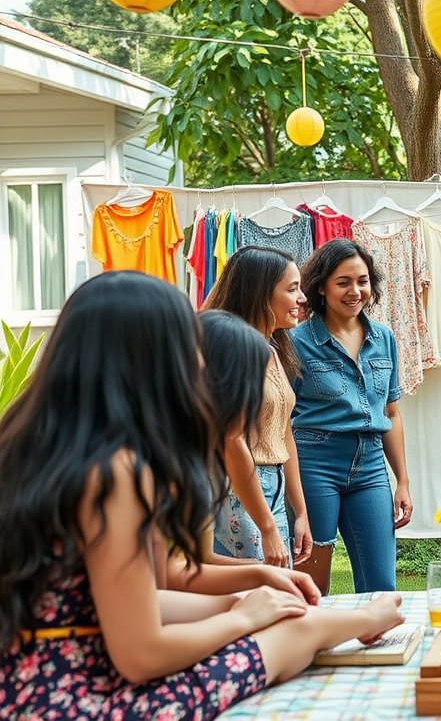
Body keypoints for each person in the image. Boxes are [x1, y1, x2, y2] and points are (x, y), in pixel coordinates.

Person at [0, 272, 404, 719]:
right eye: (188, 344)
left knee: (284, 622)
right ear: (152, 359)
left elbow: (151, 590)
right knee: (292, 636)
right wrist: (241, 618)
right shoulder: (117, 472)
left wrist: (245, 597)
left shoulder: (43, 451)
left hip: (31, 685)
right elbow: (141, 653)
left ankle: (360, 618)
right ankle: (368, 619)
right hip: (75, 698)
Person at [290, 239, 413, 595]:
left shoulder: (385, 339)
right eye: (343, 282)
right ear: (321, 288)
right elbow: (283, 419)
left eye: (362, 281)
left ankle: (377, 650)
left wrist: (402, 480)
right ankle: (310, 650)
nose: (354, 291)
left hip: (371, 465)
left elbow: (391, 412)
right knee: (313, 585)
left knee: (382, 585)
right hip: (315, 463)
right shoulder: (296, 342)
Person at [203, 246, 313, 568]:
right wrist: (267, 527)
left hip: (273, 487)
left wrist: (301, 511)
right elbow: (231, 439)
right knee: (261, 594)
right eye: (292, 289)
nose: (302, 298)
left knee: (277, 591)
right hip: (240, 491)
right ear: (261, 295)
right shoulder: (236, 351)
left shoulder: (273, 349)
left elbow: (284, 433)